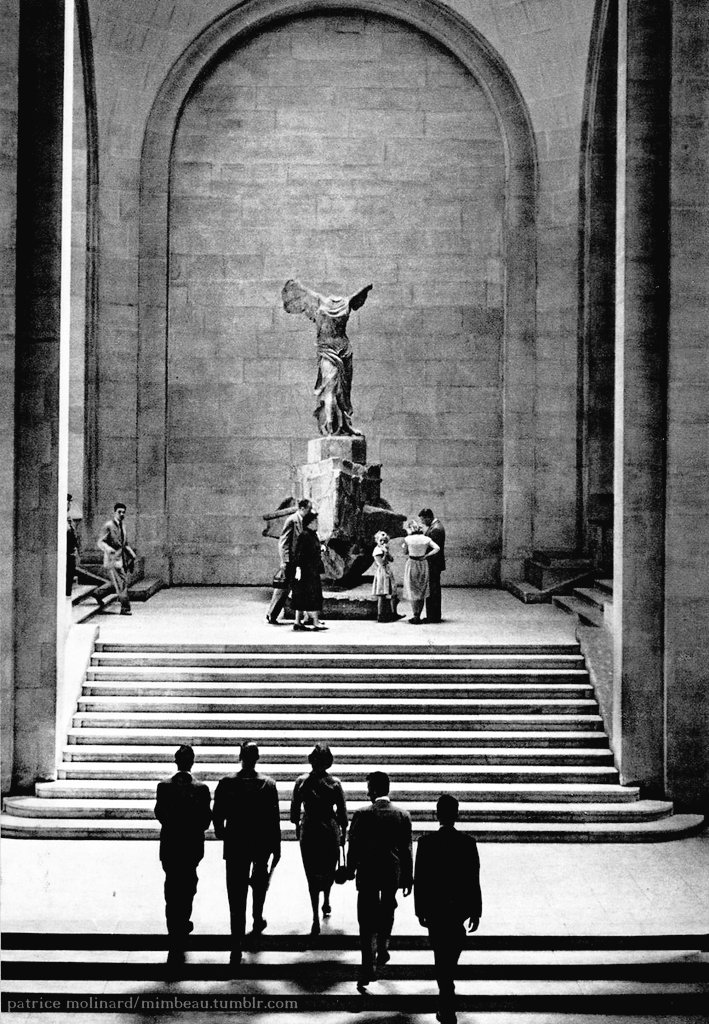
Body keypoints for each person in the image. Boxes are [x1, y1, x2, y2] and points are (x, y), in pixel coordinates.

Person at [212, 741, 281, 971]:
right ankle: (257, 918)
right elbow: (274, 819)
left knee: (236, 891)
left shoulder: (226, 783)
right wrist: (276, 845)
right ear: (257, 757)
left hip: (236, 843)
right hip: (260, 842)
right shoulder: (268, 785)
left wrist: (224, 833)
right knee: (259, 883)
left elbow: (217, 817)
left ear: (240, 756)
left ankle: (236, 940)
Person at [414, 795, 482, 1024]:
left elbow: (420, 879)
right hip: (457, 911)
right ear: (457, 815)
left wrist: (419, 910)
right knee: (449, 956)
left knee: (440, 956)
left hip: (435, 910)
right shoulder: (468, 842)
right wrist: (476, 910)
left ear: (437, 815)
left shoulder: (426, 842)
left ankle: (446, 996)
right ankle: (447, 995)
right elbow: (474, 878)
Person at [347, 771, 413, 992]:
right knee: (387, 907)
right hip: (391, 871)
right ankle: (384, 944)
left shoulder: (362, 814)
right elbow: (406, 849)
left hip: (368, 871)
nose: (367, 793)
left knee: (365, 919)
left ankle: (368, 965)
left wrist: (350, 868)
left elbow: (353, 846)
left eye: (368, 788)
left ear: (374, 790)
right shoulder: (402, 815)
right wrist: (408, 876)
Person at [282, 278, 373, 436]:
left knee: (337, 390)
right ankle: (332, 426)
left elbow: (293, 295)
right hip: (339, 348)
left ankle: (340, 426)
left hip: (333, 348)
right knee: (336, 390)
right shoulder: (345, 303)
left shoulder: (319, 303)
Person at [154, 745, 212, 971]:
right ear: (192, 762)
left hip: (171, 845)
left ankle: (173, 928)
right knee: (189, 885)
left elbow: (160, 814)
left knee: (171, 885)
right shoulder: (201, 788)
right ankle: (183, 923)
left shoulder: (164, 787)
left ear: (176, 761)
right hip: (190, 846)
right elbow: (205, 820)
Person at [290, 743, 348, 936]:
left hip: (309, 829)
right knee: (328, 868)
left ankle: (315, 915)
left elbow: (293, 813)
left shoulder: (301, 782)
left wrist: (299, 828)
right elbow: (343, 815)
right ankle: (327, 900)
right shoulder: (335, 784)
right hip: (329, 829)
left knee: (311, 872)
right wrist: (343, 833)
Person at [266, 498, 312, 624]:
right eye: (308, 508)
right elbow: (283, 542)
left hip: (300, 560)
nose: (310, 511)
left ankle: (309, 617)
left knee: (303, 588)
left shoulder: (304, 521)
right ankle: (271, 614)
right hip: (290, 561)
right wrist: (284, 561)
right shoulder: (292, 520)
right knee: (283, 589)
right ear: (302, 508)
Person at [97, 501, 136, 616]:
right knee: (122, 583)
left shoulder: (122, 526)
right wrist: (108, 549)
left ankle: (97, 593)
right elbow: (100, 542)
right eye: (119, 512)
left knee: (116, 583)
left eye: (124, 512)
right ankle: (125, 608)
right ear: (114, 512)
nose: (122, 514)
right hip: (113, 560)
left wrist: (132, 555)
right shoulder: (108, 526)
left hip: (121, 559)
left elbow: (125, 544)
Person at [291, 510, 327, 631]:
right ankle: (315, 622)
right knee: (313, 595)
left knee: (302, 596)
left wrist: (320, 549)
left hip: (310, 569)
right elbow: (299, 553)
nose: (317, 523)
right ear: (310, 523)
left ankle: (298, 622)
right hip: (307, 571)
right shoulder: (305, 535)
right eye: (315, 521)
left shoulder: (312, 535)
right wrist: (298, 568)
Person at [400, 519, 441, 625]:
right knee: (421, 589)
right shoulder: (426, 539)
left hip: (412, 563)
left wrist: (405, 546)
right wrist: (427, 555)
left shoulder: (408, 539)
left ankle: (415, 615)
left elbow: (405, 552)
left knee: (412, 589)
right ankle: (419, 615)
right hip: (423, 563)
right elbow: (437, 548)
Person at [419, 508, 446, 623]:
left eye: (423, 520)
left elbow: (433, 549)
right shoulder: (436, 527)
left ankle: (433, 616)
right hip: (434, 564)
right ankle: (433, 615)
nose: (422, 522)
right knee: (433, 589)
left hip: (433, 564)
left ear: (428, 517)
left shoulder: (435, 529)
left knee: (432, 590)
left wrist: (424, 557)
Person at [371, 530, 400, 623]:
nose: (383, 542)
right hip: (382, 572)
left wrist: (387, 552)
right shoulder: (377, 550)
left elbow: (391, 559)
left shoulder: (384, 549)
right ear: (377, 541)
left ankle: (393, 613)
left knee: (393, 593)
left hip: (387, 571)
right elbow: (381, 562)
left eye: (385, 540)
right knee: (382, 594)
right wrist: (385, 553)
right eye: (381, 540)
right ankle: (380, 615)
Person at [66, 494, 80, 597]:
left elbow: (74, 536)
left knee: (69, 579)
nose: (69, 504)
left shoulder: (69, 518)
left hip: (71, 554)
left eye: (70, 502)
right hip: (65, 554)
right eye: (68, 501)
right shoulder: (62, 519)